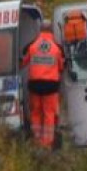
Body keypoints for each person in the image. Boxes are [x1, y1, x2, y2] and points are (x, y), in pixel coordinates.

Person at [21, 18, 65, 149]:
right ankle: (47, 143)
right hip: (50, 86)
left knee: (36, 113)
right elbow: (61, 67)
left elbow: (23, 62)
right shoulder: (57, 48)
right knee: (49, 114)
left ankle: (36, 141)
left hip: (35, 85)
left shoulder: (32, 46)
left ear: (40, 30)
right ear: (51, 31)